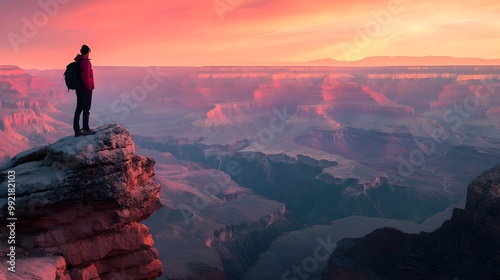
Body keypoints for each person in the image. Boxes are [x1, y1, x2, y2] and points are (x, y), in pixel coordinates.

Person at [73, 44, 96, 137]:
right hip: (85, 89)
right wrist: (89, 87)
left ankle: (77, 130)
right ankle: (86, 129)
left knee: (79, 108)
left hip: (78, 89)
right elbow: (85, 76)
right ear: (87, 52)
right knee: (86, 109)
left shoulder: (78, 61)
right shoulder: (86, 62)